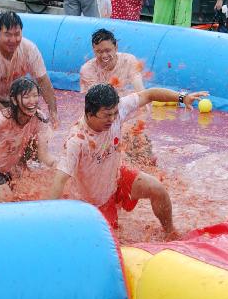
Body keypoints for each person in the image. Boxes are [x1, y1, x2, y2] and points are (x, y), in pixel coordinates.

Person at [47, 83, 208, 239]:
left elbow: (150, 94)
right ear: (89, 114)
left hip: (117, 177)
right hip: (93, 202)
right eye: (106, 116)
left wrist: (182, 97)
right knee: (113, 242)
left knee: (158, 190)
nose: (112, 119)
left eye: (114, 114)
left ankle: (170, 233)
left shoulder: (117, 110)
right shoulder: (76, 140)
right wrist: (46, 219)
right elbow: (60, 179)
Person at [0, 11, 58, 137]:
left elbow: (43, 81)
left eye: (17, 34)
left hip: (15, 97)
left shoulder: (29, 49)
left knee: (34, 132)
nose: (13, 40)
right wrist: (10, 116)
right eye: (8, 35)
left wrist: (52, 110)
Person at [80, 29, 154, 165]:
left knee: (147, 159)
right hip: (105, 121)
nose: (104, 55)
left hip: (128, 116)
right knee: (106, 162)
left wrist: (144, 109)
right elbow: (95, 104)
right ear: (93, 50)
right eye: (99, 52)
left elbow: (139, 87)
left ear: (116, 47)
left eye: (108, 50)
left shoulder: (129, 60)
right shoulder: (88, 70)